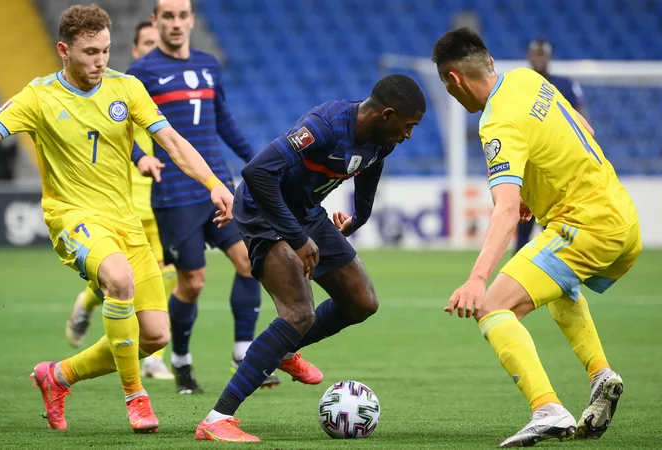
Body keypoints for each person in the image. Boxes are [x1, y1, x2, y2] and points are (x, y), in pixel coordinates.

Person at [0, 5, 234, 434]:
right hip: (73, 218)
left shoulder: (127, 88)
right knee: (118, 280)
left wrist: (212, 182)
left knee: (155, 335)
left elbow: (171, 141)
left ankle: (57, 376)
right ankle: (136, 397)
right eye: (89, 52)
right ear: (64, 50)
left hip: (125, 221)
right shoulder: (39, 97)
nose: (100, 61)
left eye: (105, 50)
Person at [432, 28, 639, 447]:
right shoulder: (528, 80)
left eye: (446, 86)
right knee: (558, 285)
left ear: (453, 80)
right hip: (622, 218)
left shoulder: (495, 122)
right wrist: (534, 192)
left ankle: (547, 409)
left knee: (491, 307)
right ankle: (601, 375)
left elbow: (505, 211)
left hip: (583, 225)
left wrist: (476, 279)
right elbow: (584, 129)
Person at [195, 75, 426, 442]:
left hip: (305, 210)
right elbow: (256, 173)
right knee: (299, 313)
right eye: (408, 126)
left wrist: (360, 217)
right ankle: (217, 418)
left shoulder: (383, 140)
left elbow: (371, 166)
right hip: (262, 210)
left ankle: (284, 348)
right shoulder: (326, 126)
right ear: (387, 114)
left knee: (361, 302)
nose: (410, 135)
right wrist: (298, 238)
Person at [127, 0, 278, 395]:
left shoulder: (209, 65)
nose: (176, 23)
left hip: (217, 186)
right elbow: (117, 129)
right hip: (175, 195)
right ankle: (181, 361)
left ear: (192, 20)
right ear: (156, 21)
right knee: (192, 283)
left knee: (249, 262)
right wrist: (141, 157)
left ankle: (243, 352)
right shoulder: (140, 73)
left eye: (182, 16)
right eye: (168, 17)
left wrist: (258, 160)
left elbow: (222, 120)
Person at [64, 20, 175, 381]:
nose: (154, 48)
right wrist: (140, 156)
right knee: (117, 279)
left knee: (168, 275)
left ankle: (155, 356)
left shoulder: (166, 86)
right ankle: (88, 302)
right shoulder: (117, 87)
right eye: (147, 43)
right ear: (137, 48)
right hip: (119, 201)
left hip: (159, 200)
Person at [515, 39, 587, 254]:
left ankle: (551, 278)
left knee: (554, 228)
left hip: (557, 169)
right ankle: (517, 277)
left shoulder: (565, 85)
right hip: (529, 168)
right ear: (528, 56)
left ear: (550, 57)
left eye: (542, 54)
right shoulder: (518, 85)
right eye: (535, 53)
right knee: (523, 228)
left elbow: (582, 121)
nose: (538, 58)